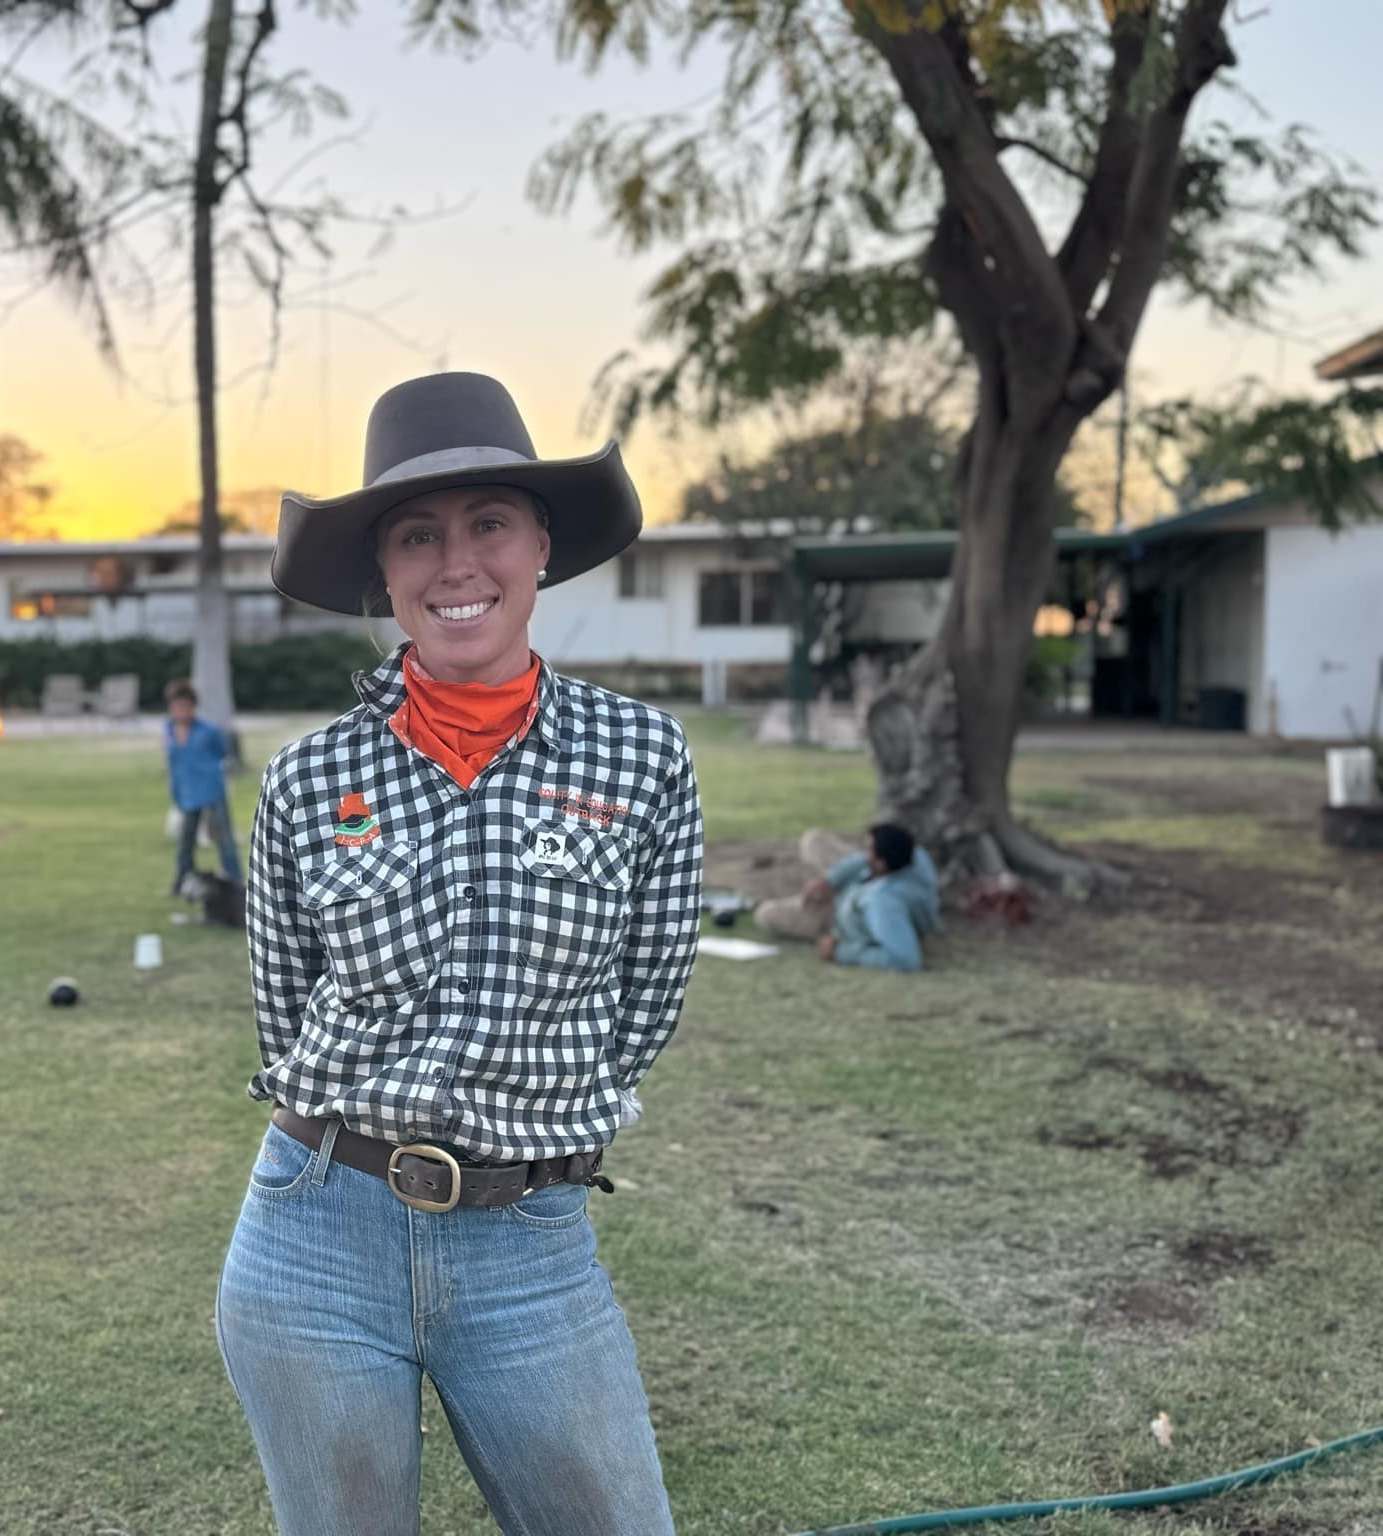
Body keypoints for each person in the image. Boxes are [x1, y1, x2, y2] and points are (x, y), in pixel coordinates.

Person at [219, 372, 703, 1534]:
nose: (456, 564)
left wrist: (534, 1113)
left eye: (488, 523)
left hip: (528, 1241)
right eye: (415, 536)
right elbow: (283, 1006)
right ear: (383, 577)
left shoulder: (640, 758)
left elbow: (646, 1000)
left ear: (539, 546)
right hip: (315, 1231)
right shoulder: (308, 779)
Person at [754, 823, 939, 972]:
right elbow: (860, 860)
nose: (863, 852)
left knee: (766, 914)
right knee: (814, 840)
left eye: (868, 849)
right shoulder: (916, 856)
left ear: (881, 864)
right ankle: (818, 887)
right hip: (858, 885)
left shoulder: (883, 904)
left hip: (840, 918)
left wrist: (841, 952)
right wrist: (830, 880)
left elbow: (906, 960)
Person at [164, 679, 243, 892]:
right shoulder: (169, 730)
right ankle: (183, 880)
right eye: (176, 706)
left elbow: (223, 753)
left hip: (211, 790)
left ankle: (236, 882)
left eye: (185, 706)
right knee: (186, 841)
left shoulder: (208, 731)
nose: (181, 711)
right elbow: (173, 761)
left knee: (224, 838)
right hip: (186, 792)